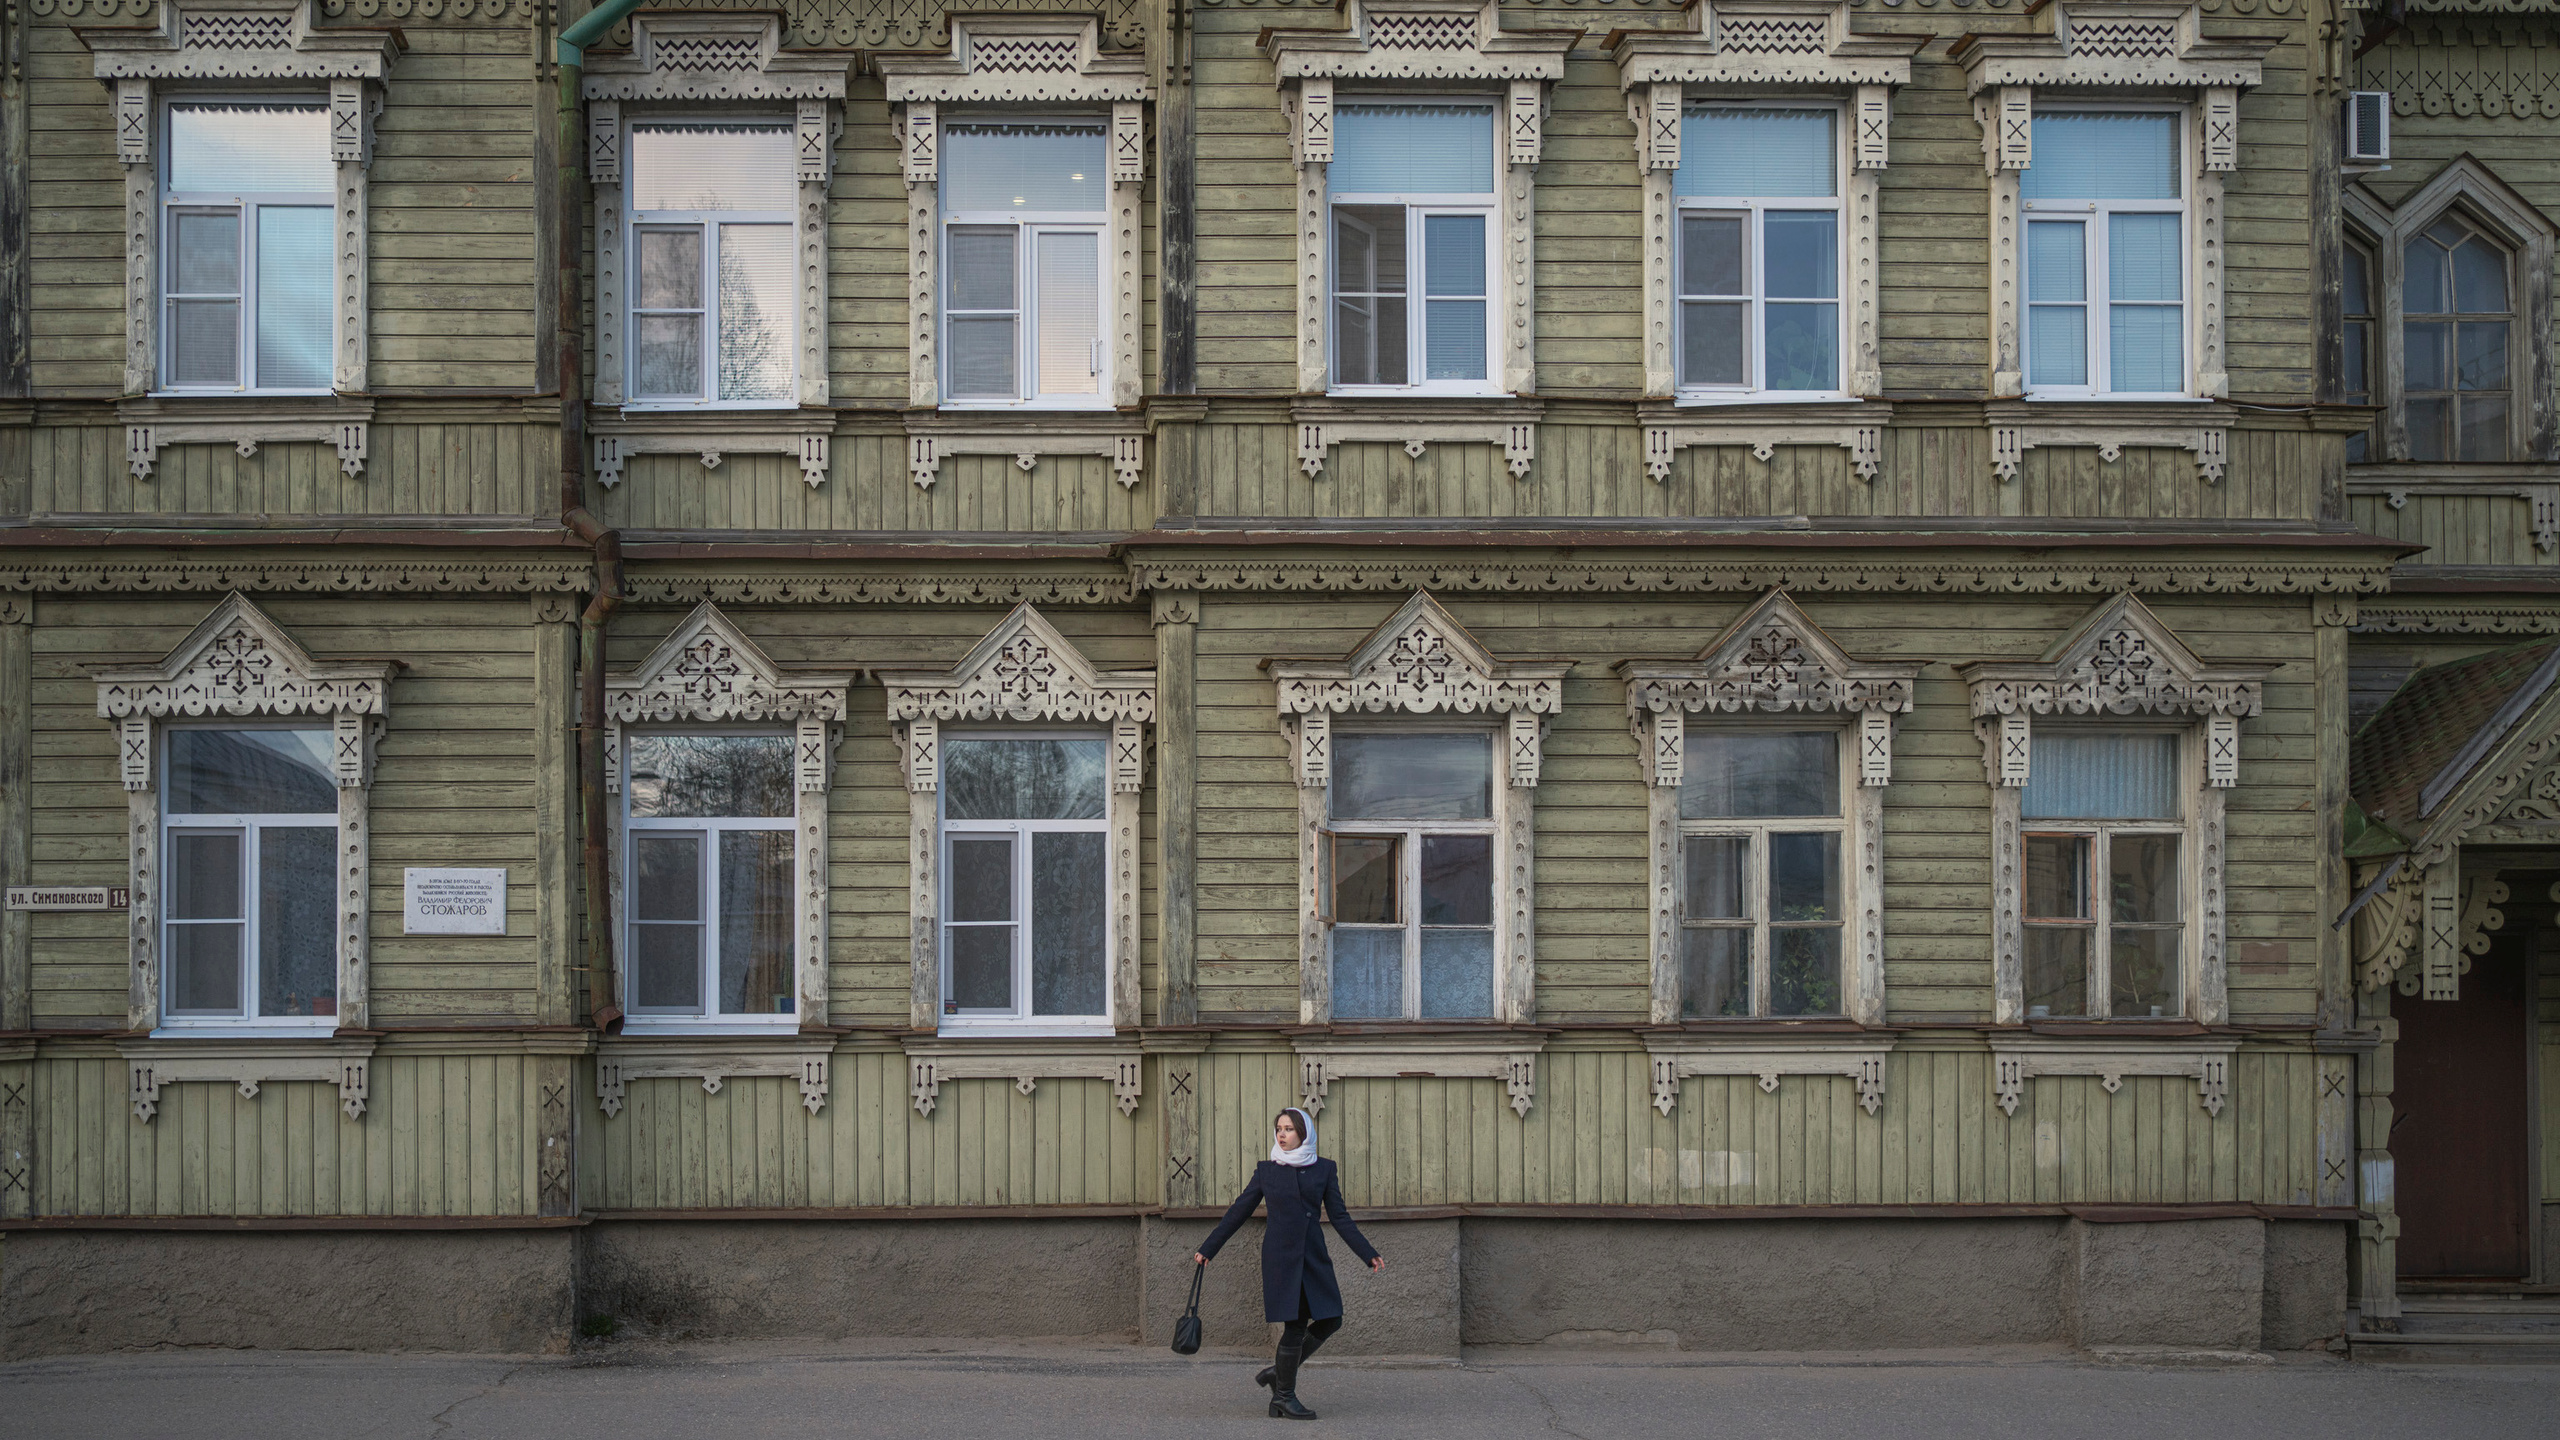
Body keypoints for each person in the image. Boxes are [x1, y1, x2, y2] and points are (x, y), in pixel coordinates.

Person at [1193, 1106, 1384, 1420]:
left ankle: (1278, 1374)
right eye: (1279, 1128)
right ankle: (1284, 1395)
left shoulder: (1324, 1168)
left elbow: (1339, 1216)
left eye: (1289, 1129)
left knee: (1331, 1319)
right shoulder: (1267, 1171)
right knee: (1295, 1326)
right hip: (1282, 1258)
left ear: (1304, 1132)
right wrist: (1209, 1248)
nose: (1282, 1134)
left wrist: (1368, 1253)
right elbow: (1239, 1210)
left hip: (1313, 1256)